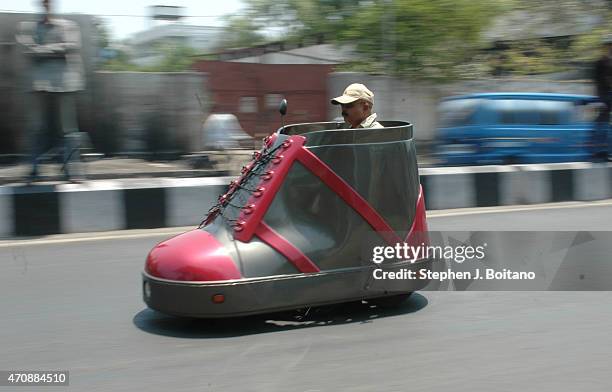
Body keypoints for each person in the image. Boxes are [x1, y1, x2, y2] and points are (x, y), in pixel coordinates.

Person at [16, 0, 85, 182]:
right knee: (36, 128)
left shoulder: (69, 26)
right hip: (38, 84)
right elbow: (27, 50)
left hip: (64, 83)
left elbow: (71, 46)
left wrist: (41, 49)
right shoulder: (28, 27)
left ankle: (73, 170)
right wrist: (55, 50)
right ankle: (34, 169)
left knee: (68, 129)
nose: (46, 4)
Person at [592, 36, 612, 162]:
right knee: (601, 125)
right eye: (609, 46)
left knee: (604, 125)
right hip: (604, 97)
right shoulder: (600, 63)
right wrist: (600, 99)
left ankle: (604, 152)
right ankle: (600, 153)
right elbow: (597, 82)